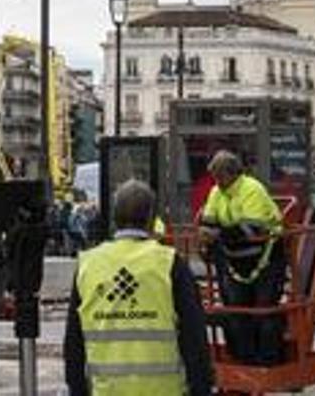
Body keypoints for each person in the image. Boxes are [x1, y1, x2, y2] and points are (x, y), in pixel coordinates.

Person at [64, 179, 213, 396]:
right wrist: (202, 389)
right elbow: (194, 338)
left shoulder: (88, 265)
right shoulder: (170, 264)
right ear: (152, 219)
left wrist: (77, 391)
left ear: (114, 218)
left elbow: (74, 344)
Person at [198, 149, 285, 366]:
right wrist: (206, 238)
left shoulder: (251, 189)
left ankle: (267, 361)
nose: (216, 182)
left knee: (264, 311)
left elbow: (251, 231)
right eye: (214, 177)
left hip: (266, 258)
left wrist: (216, 234)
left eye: (220, 176)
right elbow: (208, 223)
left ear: (233, 173)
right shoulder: (217, 192)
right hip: (235, 259)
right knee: (235, 312)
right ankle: (242, 360)